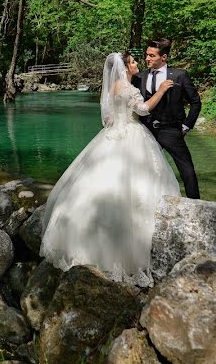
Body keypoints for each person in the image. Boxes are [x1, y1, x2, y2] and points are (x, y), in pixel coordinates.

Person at [40, 51, 180, 286]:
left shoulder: (113, 87)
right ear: (125, 67)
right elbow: (144, 109)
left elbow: (108, 118)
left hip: (111, 135)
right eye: (134, 62)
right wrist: (162, 90)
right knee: (133, 189)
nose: (138, 64)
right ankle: (128, 255)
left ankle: (83, 245)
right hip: (132, 136)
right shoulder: (129, 88)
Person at [132, 38, 202, 199]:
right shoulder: (139, 77)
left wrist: (186, 126)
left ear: (164, 57)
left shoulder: (180, 75)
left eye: (151, 55)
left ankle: (196, 206)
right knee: (144, 170)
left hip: (171, 130)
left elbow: (195, 102)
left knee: (187, 171)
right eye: (146, 55)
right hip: (146, 131)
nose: (147, 59)